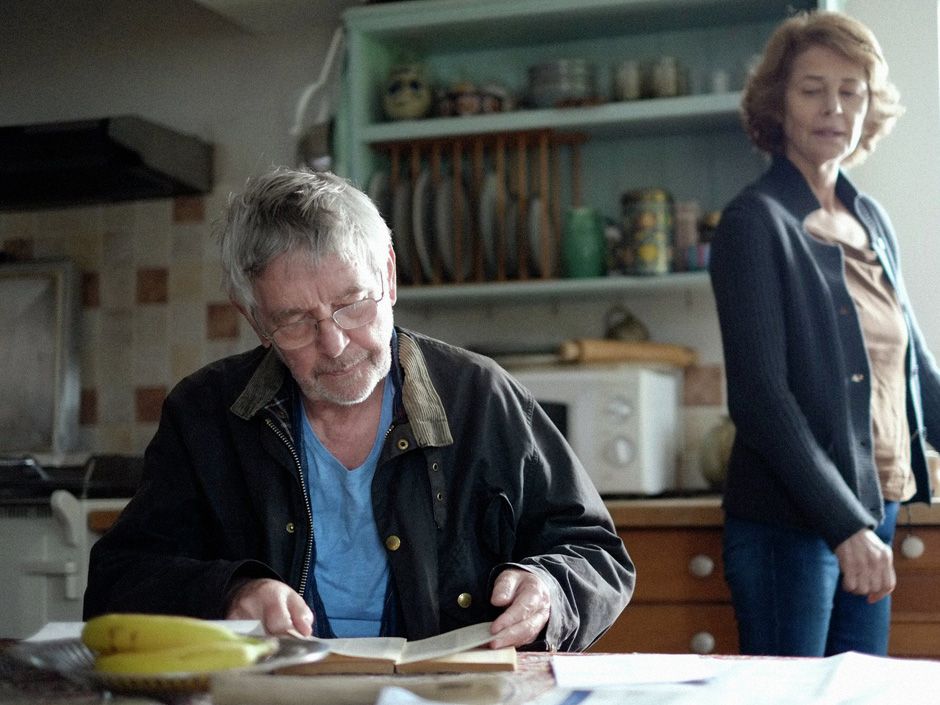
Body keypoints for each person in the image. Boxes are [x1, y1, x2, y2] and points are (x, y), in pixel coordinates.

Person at [83, 167, 635, 651]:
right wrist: (229, 593)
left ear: (388, 276)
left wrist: (549, 591)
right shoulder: (204, 415)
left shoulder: (479, 397)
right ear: (254, 320)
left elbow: (596, 554)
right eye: (295, 321)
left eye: (351, 304)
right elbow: (117, 582)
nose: (335, 344)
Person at [709, 10, 940, 657]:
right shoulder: (754, 221)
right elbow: (760, 397)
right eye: (812, 88)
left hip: (876, 511)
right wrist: (844, 526)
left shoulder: (871, 219)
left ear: (870, 107)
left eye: (851, 90)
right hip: (793, 527)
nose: (834, 107)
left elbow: (916, 369)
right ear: (777, 101)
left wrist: (861, 523)